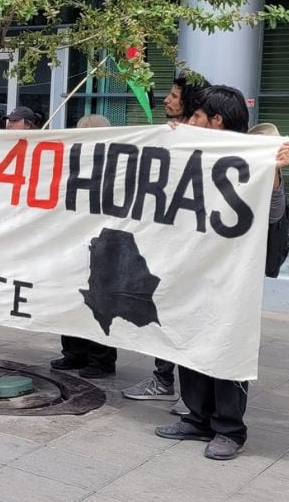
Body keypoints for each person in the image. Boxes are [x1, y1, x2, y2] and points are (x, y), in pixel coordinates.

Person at [155, 85, 289, 461]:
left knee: (227, 346)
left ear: (216, 120)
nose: (191, 121)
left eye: (197, 116)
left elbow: (273, 215)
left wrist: (272, 173)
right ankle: (197, 417)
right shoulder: (193, 151)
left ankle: (229, 428)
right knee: (189, 341)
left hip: (231, 277)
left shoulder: (253, 159)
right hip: (192, 269)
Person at [122, 76, 210, 411]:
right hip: (166, 240)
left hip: (192, 245)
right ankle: (164, 379)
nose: (166, 100)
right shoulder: (170, 134)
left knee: (187, 318)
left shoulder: (205, 142)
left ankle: (194, 395)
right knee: (165, 311)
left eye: (174, 96)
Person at [50, 114, 118, 377]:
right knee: (71, 297)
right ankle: (74, 352)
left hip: (102, 242)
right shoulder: (74, 161)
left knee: (98, 300)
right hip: (73, 241)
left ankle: (100, 359)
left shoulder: (115, 164)